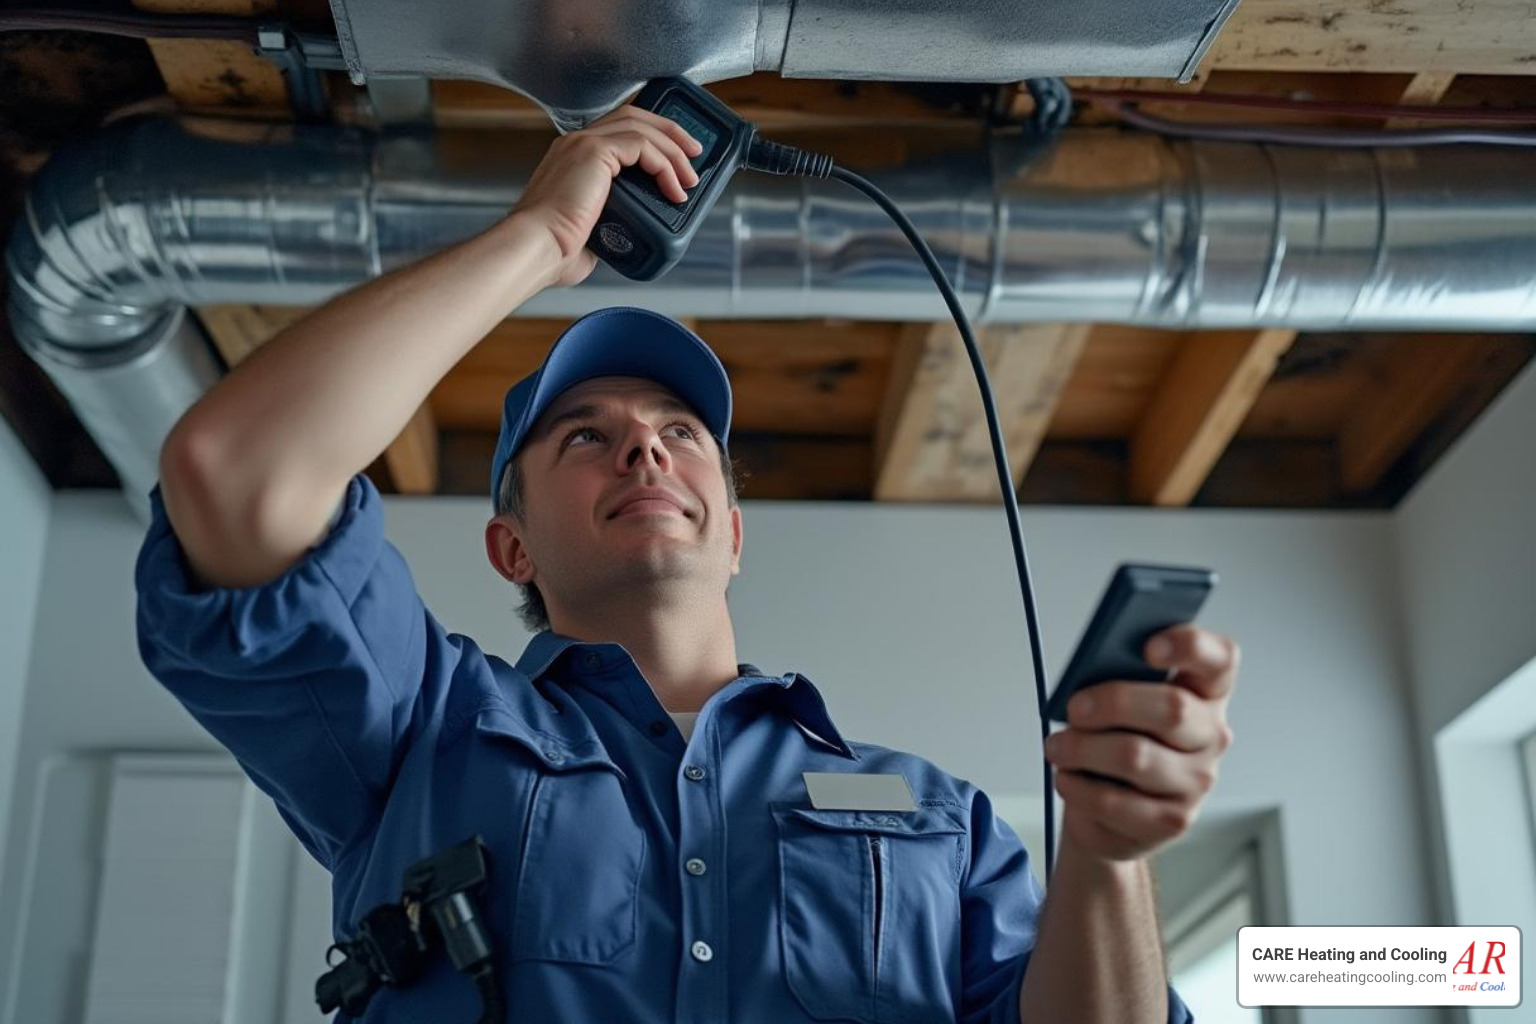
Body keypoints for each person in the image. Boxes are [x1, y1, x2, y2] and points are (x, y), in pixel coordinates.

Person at [136, 99, 1239, 1023]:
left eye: (681, 435)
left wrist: (1107, 849)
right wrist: (532, 242)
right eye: (584, 436)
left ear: (734, 530)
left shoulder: (938, 818)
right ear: (510, 543)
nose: (642, 446)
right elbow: (238, 471)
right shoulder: (418, 731)